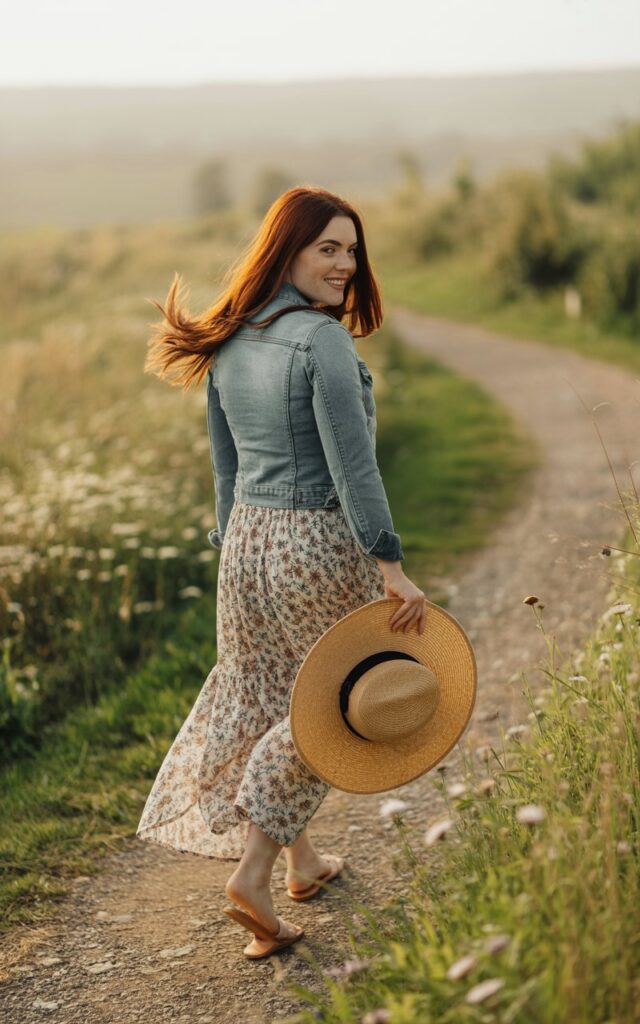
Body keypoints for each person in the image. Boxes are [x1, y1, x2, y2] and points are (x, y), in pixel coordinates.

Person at [137, 185, 426, 959]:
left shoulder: (231, 337)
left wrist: (235, 546)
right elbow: (353, 468)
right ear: (287, 250)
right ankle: (254, 873)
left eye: (351, 249)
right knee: (328, 706)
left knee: (267, 688)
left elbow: (225, 469)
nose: (345, 263)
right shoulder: (319, 343)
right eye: (327, 248)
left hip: (247, 543)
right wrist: (390, 564)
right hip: (314, 540)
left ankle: (301, 864)